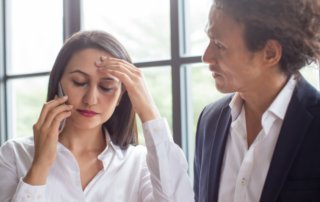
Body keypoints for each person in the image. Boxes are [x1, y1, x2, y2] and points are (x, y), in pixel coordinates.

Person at [0, 31, 194, 202]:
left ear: (120, 95)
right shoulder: (14, 154)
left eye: (106, 87)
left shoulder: (138, 162)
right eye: (79, 82)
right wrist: (40, 164)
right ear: (58, 83)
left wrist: (148, 111)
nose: (91, 99)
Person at [194, 0, 320, 201]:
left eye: (219, 45)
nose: (206, 57)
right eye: (210, 40)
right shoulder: (210, 120)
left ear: (270, 53)